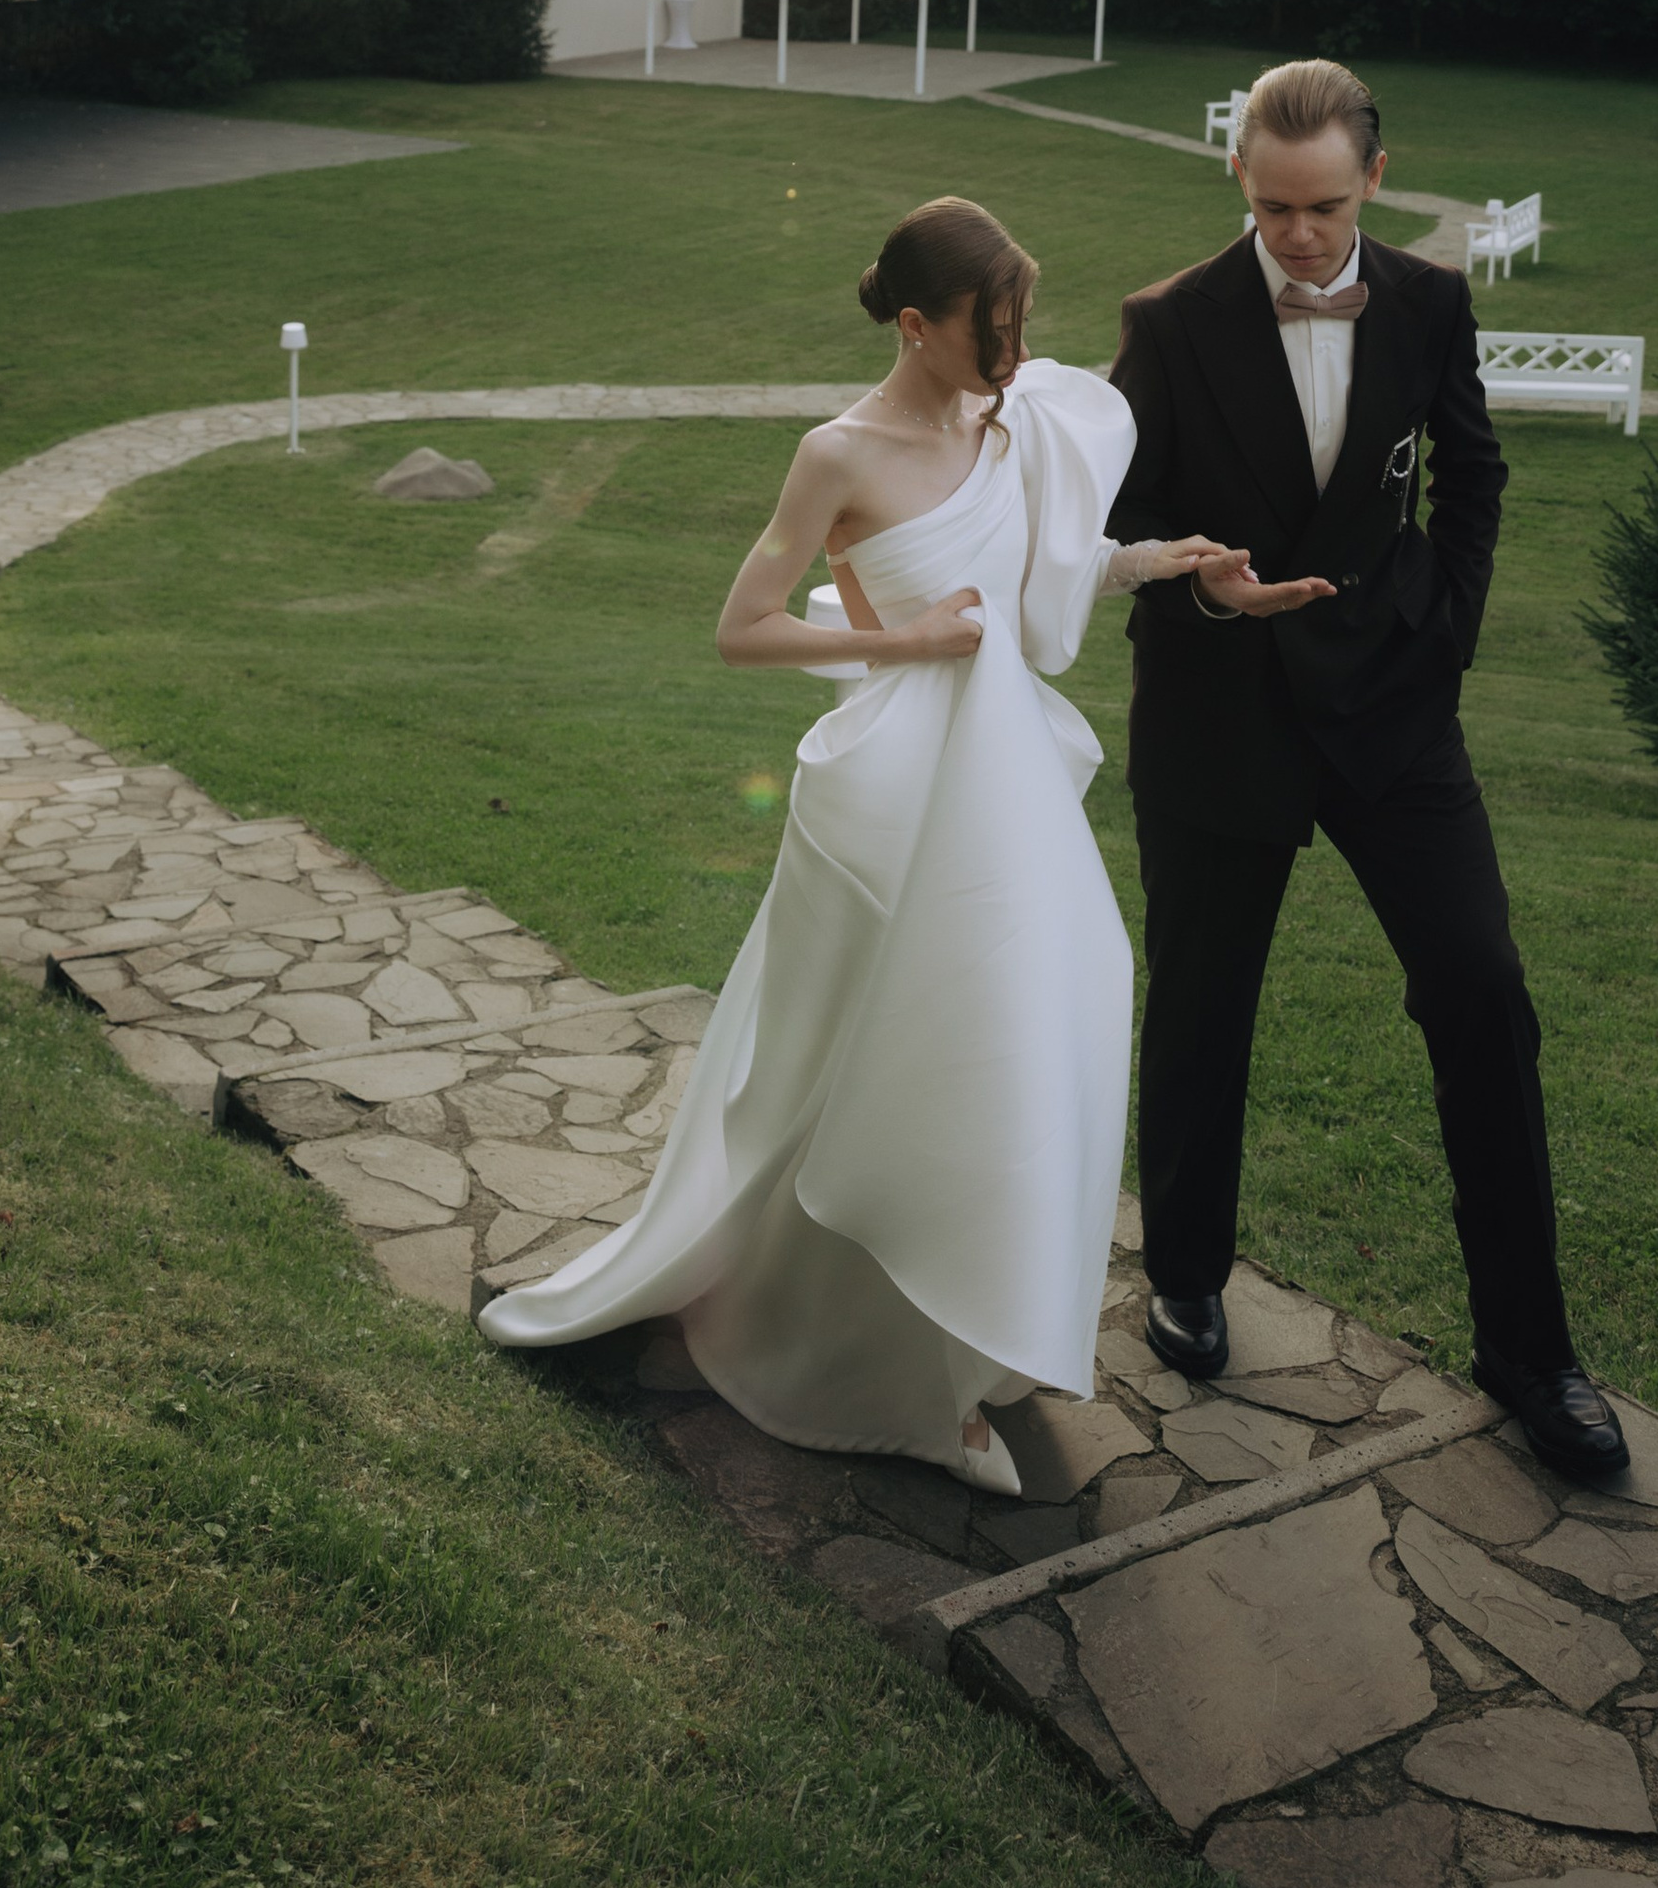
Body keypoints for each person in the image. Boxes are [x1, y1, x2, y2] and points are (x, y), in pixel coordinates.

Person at [478, 195, 1223, 1491]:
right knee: (857, 1064)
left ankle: (962, 1344)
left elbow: (1048, 565)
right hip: (892, 785)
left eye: (1023, 326)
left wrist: (1160, 562)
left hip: (1008, 790)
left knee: (1020, 1036)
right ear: (919, 323)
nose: (1012, 352)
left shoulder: (1014, 420)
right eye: (989, 333)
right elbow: (745, 627)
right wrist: (901, 642)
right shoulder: (839, 454)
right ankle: (856, 1360)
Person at [1109, 58, 1631, 1483]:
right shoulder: (1163, 327)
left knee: (1485, 995)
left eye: (1324, 207)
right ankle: (1190, 1270)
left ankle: (1536, 1355)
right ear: (1240, 183)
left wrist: (1444, 633)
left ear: (1375, 183)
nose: (1298, 236)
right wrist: (1208, 588)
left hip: (1398, 714)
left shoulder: (1429, 301)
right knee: (1206, 1004)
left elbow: (1475, 474)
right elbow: (1123, 520)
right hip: (1221, 715)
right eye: (1273, 208)